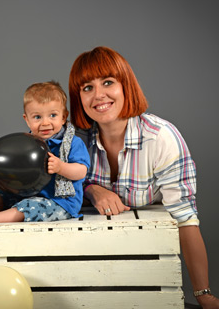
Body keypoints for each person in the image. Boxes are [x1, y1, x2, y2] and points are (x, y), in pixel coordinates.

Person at [68, 46, 219, 308]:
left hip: (149, 263)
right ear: (78, 97)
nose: (99, 95)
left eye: (107, 82)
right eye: (87, 88)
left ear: (125, 85)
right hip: (89, 270)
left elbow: (185, 219)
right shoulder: (75, 140)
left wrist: (203, 295)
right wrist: (92, 189)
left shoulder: (160, 137)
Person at [0, 81, 89, 225]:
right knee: (5, 195)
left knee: (30, 206)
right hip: (30, 192)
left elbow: (81, 171)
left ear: (63, 117)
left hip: (60, 202)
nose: (45, 123)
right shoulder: (28, 143)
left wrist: (61, 167)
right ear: (27, 120)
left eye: (53, 115)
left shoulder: (72, 143)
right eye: (37, 117)